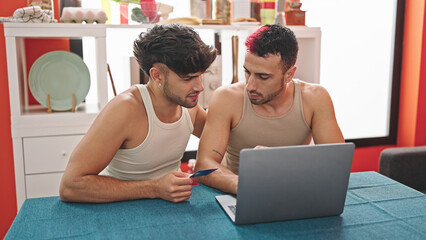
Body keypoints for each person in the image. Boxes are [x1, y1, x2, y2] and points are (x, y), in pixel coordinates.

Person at [59, 24, 217, 203]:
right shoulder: (125, 110)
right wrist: (155, 188)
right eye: (188, 78)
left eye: (200, 75)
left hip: (170, 207)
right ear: (157, 75)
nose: (200, 87)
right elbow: (70, 186)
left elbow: (225, 138)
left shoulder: (189, 106)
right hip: (121, 211)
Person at [194, 24, 345, 194]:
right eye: (247, 72)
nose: (250, 85)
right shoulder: (226, 98)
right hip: (238, 196)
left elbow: (337, 163)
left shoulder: (316, 97)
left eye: (263, 77)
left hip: (295, 192)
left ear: (289, 74)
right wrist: (244, 186)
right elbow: (203, 167)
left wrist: (279, 161)